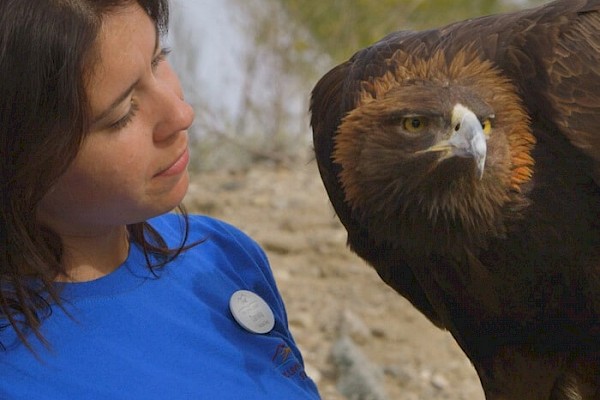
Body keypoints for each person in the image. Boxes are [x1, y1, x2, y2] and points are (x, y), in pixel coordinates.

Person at [0, 1, 321, 399]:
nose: (181, 114)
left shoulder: (222, 255)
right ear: (20, 156)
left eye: (158, 60)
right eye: (122, 114)